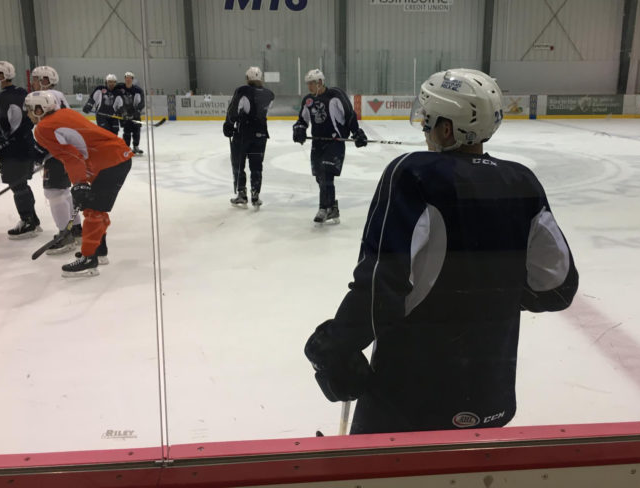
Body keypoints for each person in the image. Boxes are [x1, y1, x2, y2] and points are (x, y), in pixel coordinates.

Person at [304, 68, 579, 434]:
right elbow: (557, 288)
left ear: (447, 128)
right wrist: (490, 292)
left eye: (428, 120)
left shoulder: (415, 174)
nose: (424, 128)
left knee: (382, 465)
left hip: (407, 402)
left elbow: (380, 284)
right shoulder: (522, 182)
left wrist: (337, 347)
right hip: (490, 397)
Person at [24, 91, 133, 277]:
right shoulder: (64, 113)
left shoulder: (42, 128)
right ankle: (99, 251)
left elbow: (71, 156)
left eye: (29, 109)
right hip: (116, 156)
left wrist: (79, 183)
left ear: (39, 109)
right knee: (96, 208)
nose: (27, 114)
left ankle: (89, 259)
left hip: (108, 162)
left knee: (93, 210)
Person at [292, 69, 367, 223]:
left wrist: (356, 132)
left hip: (335, 142)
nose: (309, 86)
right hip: (317, 143)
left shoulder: (335, 95)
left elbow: (349, 115)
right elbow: (302, 120)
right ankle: (332, 207)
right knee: (320, 177)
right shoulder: (308, 100)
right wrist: (299, 129)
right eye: (308, 84)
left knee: (326, 174)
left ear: (320, 82)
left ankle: (323, 209)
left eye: (312, 83)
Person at [29, 65, 82, 253]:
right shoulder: (59, 95)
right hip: (67, 151)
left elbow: (51, 128)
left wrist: (40, 152)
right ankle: (76, 229)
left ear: (45, 80)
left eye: (36, 79)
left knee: (54, 192)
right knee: (64, 191)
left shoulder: (45, 97)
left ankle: (64, 236)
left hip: (56, 152)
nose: (33, 83)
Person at [0, 60, 41, 238]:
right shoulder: (23, 93)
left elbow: (1, 126)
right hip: (25, 145)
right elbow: (28, 123)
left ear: (1, 76)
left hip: (13, 150)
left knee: (17, 185)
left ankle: (28, 221)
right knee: (21, 183)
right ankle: (32, 219)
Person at [223, 66, 274, 208]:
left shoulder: (242, 91)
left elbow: (233, 110)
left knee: (238, 164)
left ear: (247, 78)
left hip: (243, 135)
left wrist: (228, 125)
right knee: (256, 166)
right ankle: (255, 194)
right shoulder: (270, 94)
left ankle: (242, 193)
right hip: (261, 135)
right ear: (261, 78)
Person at [117, 71, 146, 155]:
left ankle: (136, 146)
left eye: (130, 78)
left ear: (132, 79)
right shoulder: (119, 87)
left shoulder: (138, 90)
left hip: (135, 114)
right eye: (127, 78)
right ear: (124, 79)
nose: (128, 79)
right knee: (127, 131)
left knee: (136, 131)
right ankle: (127, 147)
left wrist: (137, 111)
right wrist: (121, 112)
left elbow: (142, 103)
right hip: (124, 114)